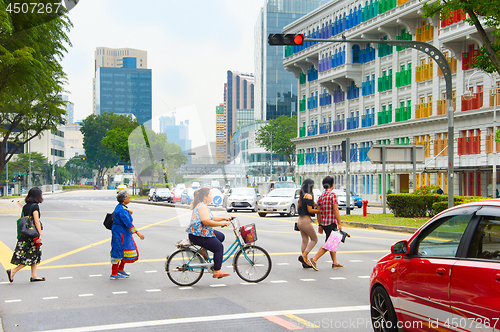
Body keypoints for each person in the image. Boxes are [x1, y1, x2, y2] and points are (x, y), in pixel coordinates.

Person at [186, 187, 232, 279]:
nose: (212, 196)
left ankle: (203, 250)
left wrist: (224, 218)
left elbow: (211, 218)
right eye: (210, 194)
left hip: (201, 233)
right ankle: (217, 271)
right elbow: (206, 222)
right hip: (198, 235)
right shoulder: (202, 206)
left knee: (221, 236)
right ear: (205, 197)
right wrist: (221, 224)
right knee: (219, 247)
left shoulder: (203, 205)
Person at [7, 187, 45, 283]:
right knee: (30, 257)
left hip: (25, 234)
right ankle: (13, 271)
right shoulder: (35, 207)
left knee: (35, 255)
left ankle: (34, 275)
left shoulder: (25, 206)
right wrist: (40, 234)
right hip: (32, 235)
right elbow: (36, 220)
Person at [310, 176, 344, 271]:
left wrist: (320, 224)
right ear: (332, 185)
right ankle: (314, 259)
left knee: (331, 242)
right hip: (331, 222)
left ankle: (335, 262)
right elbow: (336, 209)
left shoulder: (321, 196)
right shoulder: (333, 195)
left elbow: (318, 211)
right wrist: (339, 223)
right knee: (329, 243)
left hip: (324, 223)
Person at [110, 190, 144, 279]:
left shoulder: (122, 208)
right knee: (118, 251)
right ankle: (114, 273)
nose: (130, 199)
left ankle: (120, 269)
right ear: (124, 199)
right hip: (120, 233)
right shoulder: (122, 210)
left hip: (123, 233)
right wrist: (137, 233)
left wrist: (128, 211)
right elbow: (128, 223)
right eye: (128, 197)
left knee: (124, 251)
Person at [296, 178, 320, 269]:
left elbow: (298, 208)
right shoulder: (309, 196)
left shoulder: (302, 196)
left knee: (304, 240)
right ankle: (304, 256)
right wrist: (319, 211)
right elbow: (310, 210)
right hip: (306, 220)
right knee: (314, 239)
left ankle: (305, 262)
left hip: (300, 220)